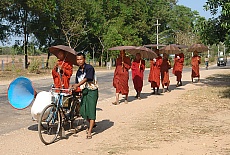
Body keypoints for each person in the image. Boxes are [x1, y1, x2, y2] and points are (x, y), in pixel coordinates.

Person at [72, 52, 98, 139]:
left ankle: (90, 131)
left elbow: (87, 78)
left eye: (81, 59)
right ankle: (92, 123)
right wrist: (73, 87)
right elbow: (77, 82)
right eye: (77, 59)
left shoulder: (89, 68)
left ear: (84, 60)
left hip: (92, 91)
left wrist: (77, 85)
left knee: (91, 111)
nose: (79, 61)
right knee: (83, 111)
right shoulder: (78, 71)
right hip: (84, 92)